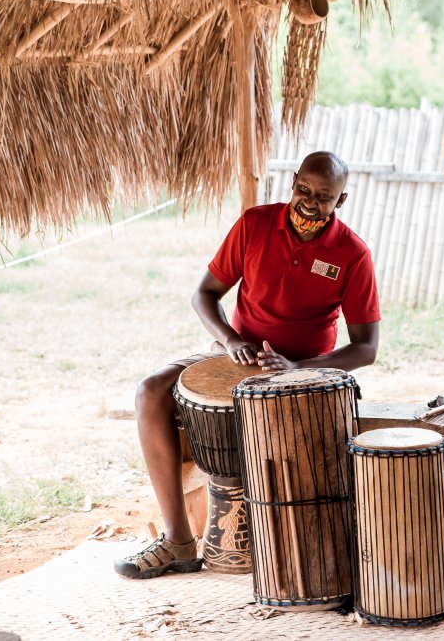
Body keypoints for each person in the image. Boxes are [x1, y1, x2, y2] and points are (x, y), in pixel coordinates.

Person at [114, 151, 380, 579]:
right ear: (293, 183)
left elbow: (366, 348)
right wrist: (231, 340)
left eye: (324, 197)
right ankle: (178, 541)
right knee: (150, 391)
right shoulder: (256, 224)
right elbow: (204, 294)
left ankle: (299, 552)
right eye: (303, 190)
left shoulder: (352, 254)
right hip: (236, 358)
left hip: (305, 375)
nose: (310, 203)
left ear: (341, 200)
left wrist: (297, 367)